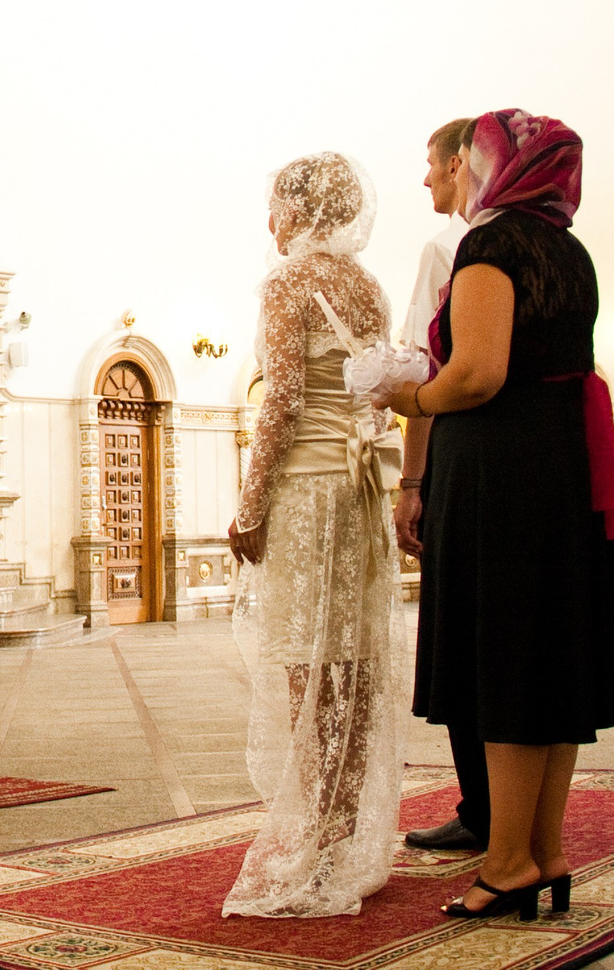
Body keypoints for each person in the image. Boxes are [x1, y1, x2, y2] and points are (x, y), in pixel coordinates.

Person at [383, 110, 614, 922]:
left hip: (505, 478)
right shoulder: (568, 247)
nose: (431, 177)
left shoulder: (490, 246)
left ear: (492, 165)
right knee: (551, 663)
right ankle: (544, 850)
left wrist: (408, 396)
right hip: (561, 472)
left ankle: (509, 859)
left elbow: (479, 373)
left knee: (509, 665)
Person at [222, 154, 403, 917]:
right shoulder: (368, 286)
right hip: (359, 491)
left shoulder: (288, 282)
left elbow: (283, 401)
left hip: (303, 489)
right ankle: (343, 827)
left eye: (275, 206)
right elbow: (376, 397)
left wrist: (250, 505)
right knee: (355, 661)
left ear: (300, 210)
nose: (270, 222)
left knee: (306, 662)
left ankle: (318, 835)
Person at [396, 118, 487, 855]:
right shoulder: (545, 241)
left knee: (461, 638)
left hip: (460, 456)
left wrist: (410, 481)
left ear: (460, 163)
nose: (426, 180)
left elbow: (424, 368)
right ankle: (515, 815)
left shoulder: (448, 248)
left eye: (431, 165)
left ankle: (481, 807)